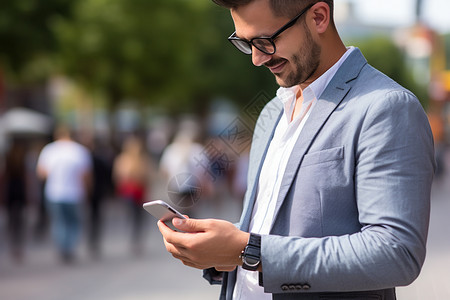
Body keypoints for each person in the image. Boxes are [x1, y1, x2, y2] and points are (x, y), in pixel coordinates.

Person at [157, 1, 436, 299]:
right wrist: (218, 247)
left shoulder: (385, 107)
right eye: (245, 43)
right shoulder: (271, 111)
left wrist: (249, 250)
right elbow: (273, 229)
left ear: (318, 17)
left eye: (265, 41)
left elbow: (396, 252)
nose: (256, 58)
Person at [36, 125, 92, 263]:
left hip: (54, 193)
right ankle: (69, 248)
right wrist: (88, 191)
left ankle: (63, 247)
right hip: (74, 193)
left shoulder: (49, 150)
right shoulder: (80, 151)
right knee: (73, 222)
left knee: (59, 222)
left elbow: (41, 173)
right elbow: (86, 176)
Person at [113, 135, 152, 255]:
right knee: (137, 217)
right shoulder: (139, 160)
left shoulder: (124, 159)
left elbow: (118, 177)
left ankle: (134, 239)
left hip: (130, 192)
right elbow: (146, 177)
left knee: (134, 216)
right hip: (136, 192)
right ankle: (135, 239)